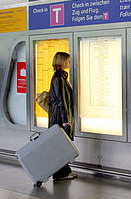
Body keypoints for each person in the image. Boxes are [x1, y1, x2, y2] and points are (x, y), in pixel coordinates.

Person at [48, 52, 77, 181]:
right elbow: (61, 101)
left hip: (59, 116)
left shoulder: (60, 77)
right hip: (59, 118)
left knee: (61, 144)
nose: (69, 63)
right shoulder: (58, 79)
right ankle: (61, 173)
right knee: (61, 145)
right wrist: (64, 120)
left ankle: (64, 171)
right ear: (61, 62)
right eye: (67, 61)